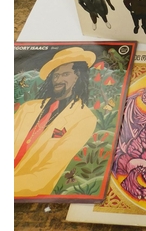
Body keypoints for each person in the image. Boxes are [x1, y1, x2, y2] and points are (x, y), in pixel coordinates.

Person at [14, 47, 97, 197]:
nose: (58, 80)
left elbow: (45, 174)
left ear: (78, 76)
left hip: (28, 194)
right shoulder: (28, 108)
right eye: (56, 75)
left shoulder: (84, 119)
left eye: (65, 74)